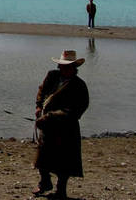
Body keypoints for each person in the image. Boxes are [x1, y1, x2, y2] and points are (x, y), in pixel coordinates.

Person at [33, 50, 89, 199]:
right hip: (46, 124)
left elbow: (76, 111)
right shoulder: (52, 76)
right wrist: (39, 106)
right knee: (42, 156)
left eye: (68, 66)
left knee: (65, 160)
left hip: (66, 127)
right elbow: (41, 91)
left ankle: (61, 189)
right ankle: (45, 182)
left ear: (74, 68)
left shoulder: (79, 86)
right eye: (62, 66)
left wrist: (50, 117)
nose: (64, 69)